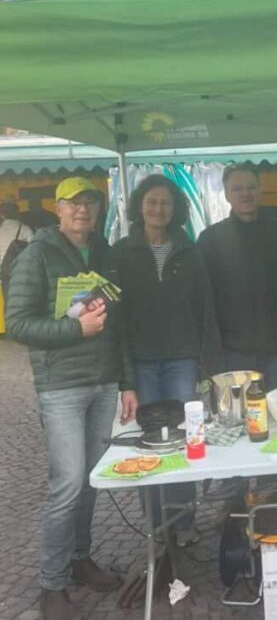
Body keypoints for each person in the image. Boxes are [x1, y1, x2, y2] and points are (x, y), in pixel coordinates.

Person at [5, 176, 137, 620]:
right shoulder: (36, 255)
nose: (83, 210)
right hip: (60, 386)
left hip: (103, 383)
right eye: (73, 203)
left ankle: (81, 559)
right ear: (57, 209)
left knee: (90, 481)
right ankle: (51, 585)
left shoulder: (104, 253)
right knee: (66, 484)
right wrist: (74, 329)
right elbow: (18, 324)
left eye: (90, 203)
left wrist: (127, 381)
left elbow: (117, 326)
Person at [111, 174, 220, 547]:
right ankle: (156, 523)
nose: (159, 209)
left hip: (181, 358)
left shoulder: (189, 252)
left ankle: (183, 516)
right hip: (142, 362)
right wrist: (123, 374)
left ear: (176, 210)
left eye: (166, 203)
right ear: (140, 206)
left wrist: (207, 360)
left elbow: (204, 306)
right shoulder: (121, 253)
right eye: (152, 202)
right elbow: (117, 317)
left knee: (183, 435)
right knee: (148, 440)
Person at [198, 162, 277, 390]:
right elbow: (204, 298)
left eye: (251, 187)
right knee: (240, 420)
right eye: (237, 189)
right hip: (233, 352)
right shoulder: (210, 239)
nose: (245, 193)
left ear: (260, 190)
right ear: (227, 195)